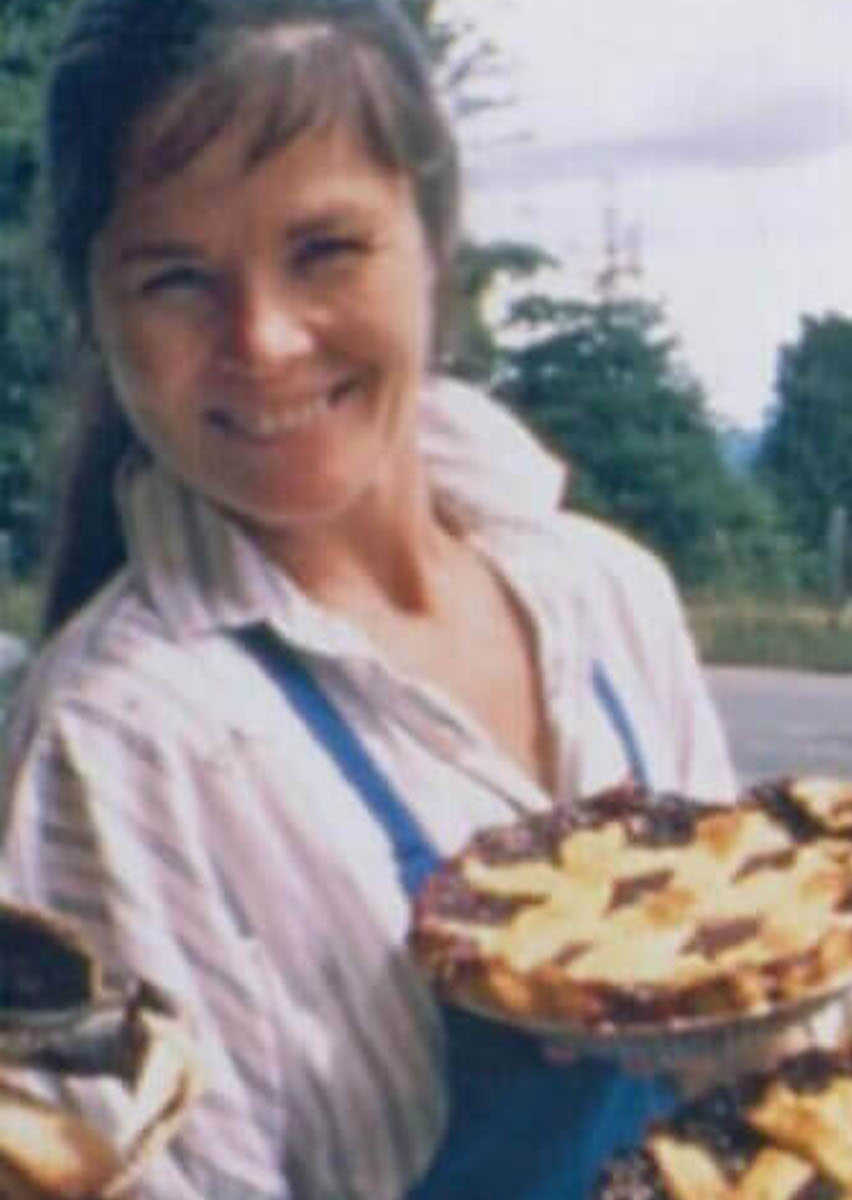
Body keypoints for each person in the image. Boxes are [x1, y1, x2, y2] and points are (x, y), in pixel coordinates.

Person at [0, 0, 738, 1195]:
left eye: (324, 251)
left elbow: (761, 1051)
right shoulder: (123, 745)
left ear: (434, 239)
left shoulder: (606, 597)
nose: (266, 340)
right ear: (96, 313)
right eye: (177, 279)